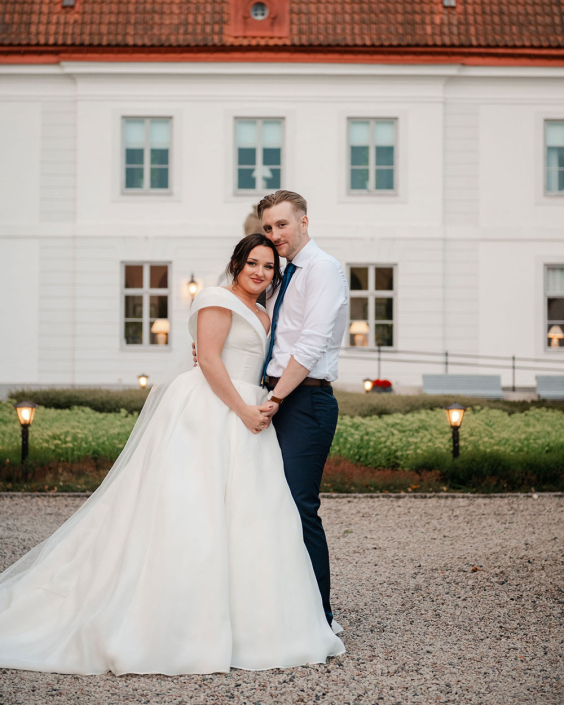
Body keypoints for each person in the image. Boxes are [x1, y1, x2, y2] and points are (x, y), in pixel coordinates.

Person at [0, 233, 345, 676]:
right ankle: (172, 622)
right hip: (213, 409)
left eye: (268, 268)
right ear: (237, 263)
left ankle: (251, 621)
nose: (260, 272)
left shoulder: (263, 312)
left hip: (250, 416)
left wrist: (258, 407)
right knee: (189, 509)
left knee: (252, 515)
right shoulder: (216, 298)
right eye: (253, 263)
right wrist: (242, 410)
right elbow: (210, 362)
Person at [194, 191, 349, 630]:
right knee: (263, 504)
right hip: (269, 395)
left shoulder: (323, 270)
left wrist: (276, 398)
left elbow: (311, 343)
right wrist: (210, 349)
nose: (275, 234)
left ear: (304, 222)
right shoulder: (279, 276)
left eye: (283, 224)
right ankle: (273, 607)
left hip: (304, 399)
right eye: (268, 227)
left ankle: (320, 616)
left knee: (299, 506)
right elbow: (259, 336)